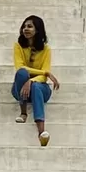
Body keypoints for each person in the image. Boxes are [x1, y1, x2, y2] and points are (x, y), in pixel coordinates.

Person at [12, 14, 59, 146]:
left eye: (30, 26)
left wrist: (31, 81)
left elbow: (43, 78)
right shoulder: (18, 46)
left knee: (37, 86)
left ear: (37, 30)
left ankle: (41, 133)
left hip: (41, 89)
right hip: (20, 89)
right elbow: (20, 67)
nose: (25, 29)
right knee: (21, 73)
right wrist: (45, 72)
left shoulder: (46, 49)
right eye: (24, 27)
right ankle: (23, 112)